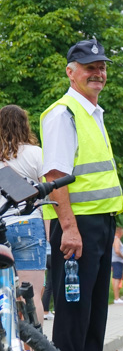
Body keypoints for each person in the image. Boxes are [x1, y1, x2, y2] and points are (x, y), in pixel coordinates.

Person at [40, 38, 123, 351]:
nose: (98, 73)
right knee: (74, 314)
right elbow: (56, 177)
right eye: (90, 67)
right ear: (71, 72)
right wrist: (69, 228)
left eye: (102, 67)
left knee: (93, 314)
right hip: (78, 228)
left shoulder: (92, 113)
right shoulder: (64, 114)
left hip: (101, 225)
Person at [0, 105, 49, 326]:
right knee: (33, 294)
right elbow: (47, 197)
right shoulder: (37, 154)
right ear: (25, 125)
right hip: (30, 224)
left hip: (2, 226)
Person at [111, 227, 123, 303]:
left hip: (116, 261)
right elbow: (117, 251)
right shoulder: (116, 239)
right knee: (117, 279)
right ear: (119, 232)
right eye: (122, 232)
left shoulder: (114, 239)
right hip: (117, 261)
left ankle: (117, 297)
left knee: (117, 278)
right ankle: (116, 298)